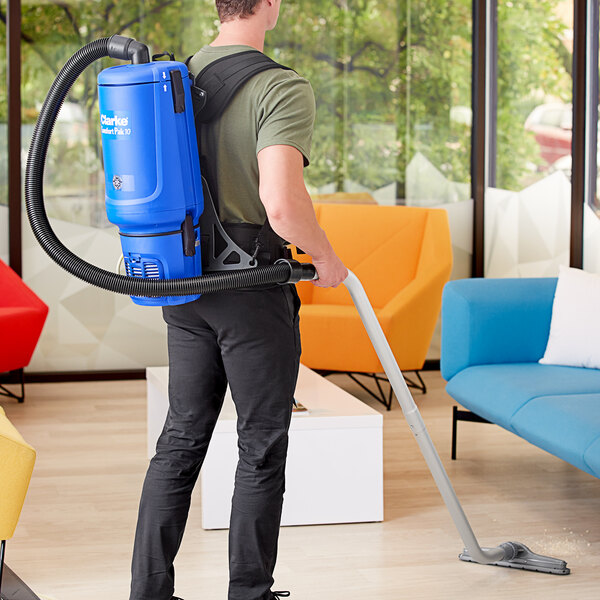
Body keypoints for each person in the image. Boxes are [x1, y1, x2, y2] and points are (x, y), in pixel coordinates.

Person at [129, 1, 348, 599]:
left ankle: (148, 593)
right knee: (260, 441)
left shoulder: (173, 78)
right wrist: (325, 257)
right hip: (251, 288)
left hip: (186, 282)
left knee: (180, 438)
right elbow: (280, 203)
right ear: (270, 4)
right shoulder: (278, 85)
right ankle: (248, 595)